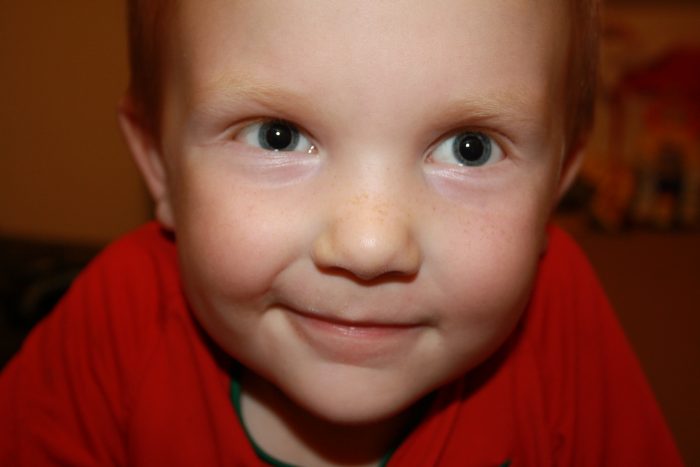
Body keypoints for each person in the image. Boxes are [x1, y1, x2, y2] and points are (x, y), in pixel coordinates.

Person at [0, 0, 684, 465]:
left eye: (469, 148)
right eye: (277, 135)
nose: (369, 245)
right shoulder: (119, 318)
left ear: (558, 180)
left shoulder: (557, 318)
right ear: (158, 163)